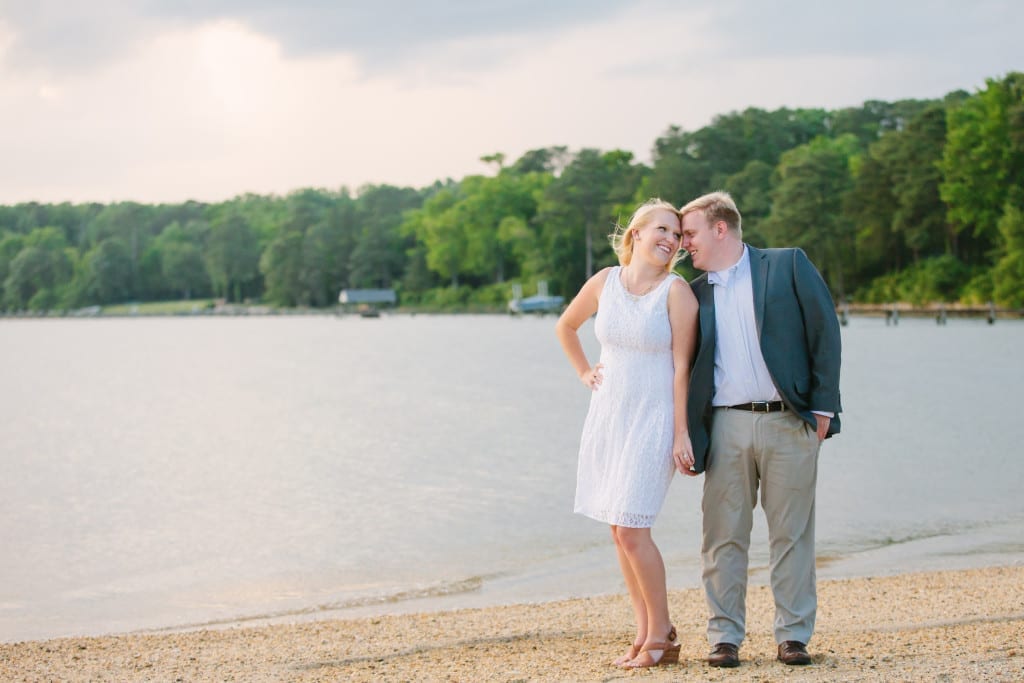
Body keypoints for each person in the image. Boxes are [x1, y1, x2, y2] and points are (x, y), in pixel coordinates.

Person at [678, 191, 842, 668]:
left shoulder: (788, 265)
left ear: (720, 228)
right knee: (722, 536)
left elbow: (824, 332)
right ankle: (724, 637)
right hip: (725, 425)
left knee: (791, 535)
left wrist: (824, 409)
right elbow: (679, 368)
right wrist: (685, 433)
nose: (684, 242)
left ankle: (793, 636)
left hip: (790, 421)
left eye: (690, 233)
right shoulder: (692, 293)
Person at [555, 198, 699, 669]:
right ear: (635, 233)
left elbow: (683, 368)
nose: (671, 239)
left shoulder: (677, 292)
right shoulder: (605, 282)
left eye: (676, 234)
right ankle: (645, 631)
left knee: (634, 530)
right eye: (662, 229)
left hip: (654, 420)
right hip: (609, 416)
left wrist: (681, 433)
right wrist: (583, 373)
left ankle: (662, 633)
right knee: (619, 530)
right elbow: (567, 326)